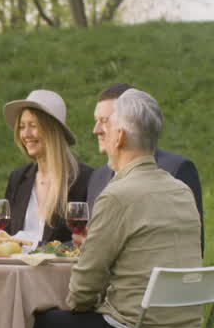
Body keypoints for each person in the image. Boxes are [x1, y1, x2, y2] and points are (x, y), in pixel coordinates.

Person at [26, 88, 203, 328]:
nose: (98, 132)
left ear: (120, 137)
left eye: (105, 125)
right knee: (104, 324)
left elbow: (84, 288)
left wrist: (75, 306)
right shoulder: (181, 191)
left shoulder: (118, 194)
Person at [85, 83, 204, 253]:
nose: (96, 130)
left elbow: (192, 246)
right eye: (96, 121)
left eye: (105, 121)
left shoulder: (176, 170)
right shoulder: (97, 177)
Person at [1, 90, 93, 245]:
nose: (26, 134)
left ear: (53, 130)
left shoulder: (84, 179)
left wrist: (38, 248)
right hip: (15, 268)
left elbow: (87, 241)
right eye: (22, 127)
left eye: (33, 125)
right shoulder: (18, 178)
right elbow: (5, 235)